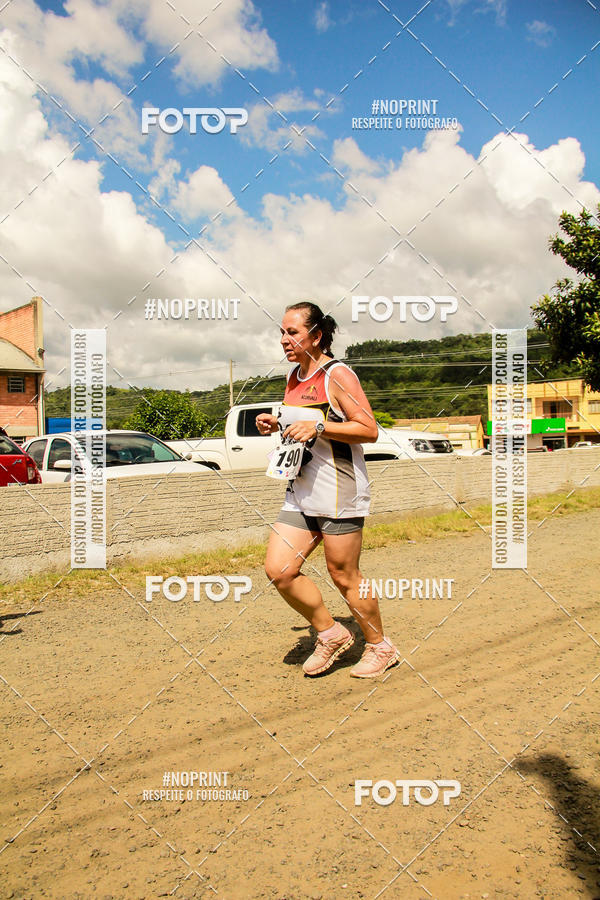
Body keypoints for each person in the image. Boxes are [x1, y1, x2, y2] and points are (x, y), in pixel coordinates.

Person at [257, 301, 399, 678]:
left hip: (339, 490)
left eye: (293, 332)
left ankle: (380, 647)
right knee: (279, 570)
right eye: (282, 332)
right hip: (301, 489)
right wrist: (276, 422)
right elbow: (302, 420)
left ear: (316, 335)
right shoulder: (294, 376)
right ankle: (331, 633)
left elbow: (367, 429)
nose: (284, 340)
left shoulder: (338, 375)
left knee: (343, 574)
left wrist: (320, 428)